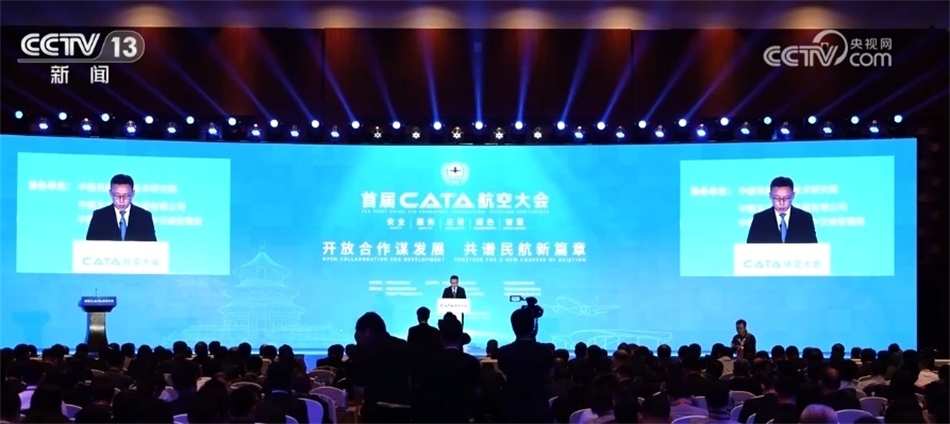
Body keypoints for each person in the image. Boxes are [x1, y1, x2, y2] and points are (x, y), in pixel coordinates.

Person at [496, 307, 554, 423]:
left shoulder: (504, 352)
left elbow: (504, 373)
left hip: (513, 408)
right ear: (533, 327)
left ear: (513, 326)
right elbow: (551, 374)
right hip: (539, 407)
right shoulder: (545, 350)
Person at [85, 174, 157, 242]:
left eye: (126, 196)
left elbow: (152, 246)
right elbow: (90, 244)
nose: (121, 200)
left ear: (133, 194)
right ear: (110, 193)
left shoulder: (144, 217)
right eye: (117, 195)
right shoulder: (99, 216)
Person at [746, 176, 817, 244]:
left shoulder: (805, 219)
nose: (782, 203)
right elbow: (750, 248)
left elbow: (814, 248)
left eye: (786, 198)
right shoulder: (759, 219)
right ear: (770, 196)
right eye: (777, 198)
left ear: (793, 196)